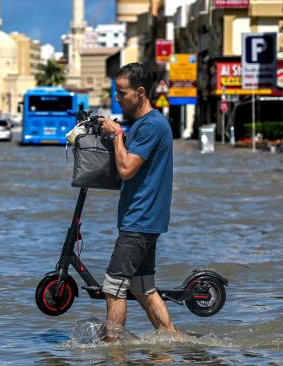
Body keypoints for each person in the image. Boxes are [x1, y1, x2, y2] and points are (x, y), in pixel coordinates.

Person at [98, 62, 176, 341]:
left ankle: (113, 350)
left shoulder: (150, 126)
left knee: (113, 286)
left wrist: (117, 135)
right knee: (142, 287)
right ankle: (172, 342)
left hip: (140, 219)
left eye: (122, 93)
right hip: (145, 219)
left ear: (140, 92)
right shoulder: (145, 125)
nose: (117, 98)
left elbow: (126, 169)